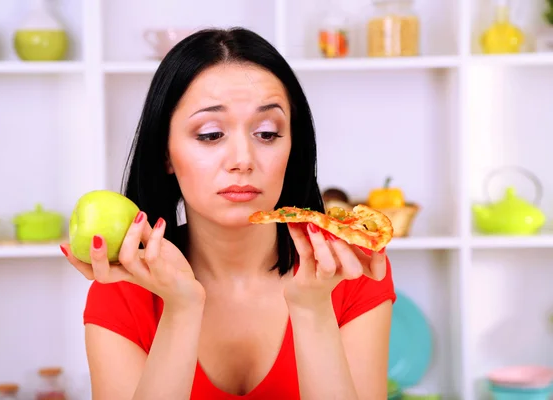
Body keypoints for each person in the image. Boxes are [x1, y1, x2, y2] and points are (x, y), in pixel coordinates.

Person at [60, 27, 396, 400]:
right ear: (165, 153)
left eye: (267, 133)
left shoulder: (348, 270)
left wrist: (313, 310)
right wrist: (182, 308)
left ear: (293, 148)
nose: (242, 160)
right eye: (210, 134)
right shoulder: (123, 289)